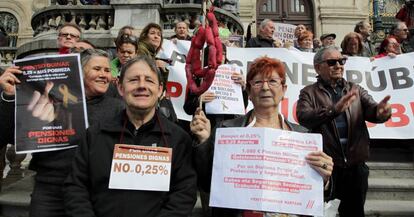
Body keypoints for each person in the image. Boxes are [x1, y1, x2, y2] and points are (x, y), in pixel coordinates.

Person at [191, 56, 334, 217]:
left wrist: (324, 178)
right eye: (258, 82)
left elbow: (314, 193)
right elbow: (205, 183)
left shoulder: (302, 136)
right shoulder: (226, 130)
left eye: (272, 81)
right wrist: (203, 142)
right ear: (249, 92)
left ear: (284, 89)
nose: (265, 87)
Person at [64, 55, 197, 217]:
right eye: (134, 80)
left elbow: (183, 194)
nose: (142, 86)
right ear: (120, 88)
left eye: (149, 80)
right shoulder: (95, 135)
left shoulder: (178, 139)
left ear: (160, 89)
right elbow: (76, 187)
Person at [0, 48, 124, 217]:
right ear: (78, 72)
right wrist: (9, 97)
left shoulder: (119, 108)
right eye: (97, 69)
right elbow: (8, 136)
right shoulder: (48, 102)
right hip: (50, 191)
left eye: (107, 70)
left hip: (94, 193)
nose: (104, 75)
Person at [296, 46, 392, 217]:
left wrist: (381, 113)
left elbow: (372, 110)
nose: (338, 65)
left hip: (356, 167)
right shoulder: (309, 92)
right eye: (332, 62)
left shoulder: (355, 89)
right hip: (326, 169)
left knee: (354, 213)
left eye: (342, 61)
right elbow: (304, 117)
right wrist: (334, 110)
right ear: (318, 67)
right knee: (323, 213)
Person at [138, 23, 178, 123]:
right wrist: (154, 65)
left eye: (159, 35)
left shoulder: (152, 53)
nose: (156, 36)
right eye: (152, 33)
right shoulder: (140, 50)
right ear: (145, 36)